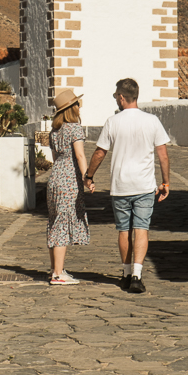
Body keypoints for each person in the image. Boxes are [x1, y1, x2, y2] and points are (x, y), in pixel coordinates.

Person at [83, 77, 170, 294]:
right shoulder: (152, 121)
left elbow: (100, 152)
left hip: (120, 186)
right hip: (144, 185)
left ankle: (125, 273)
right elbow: (163, 156)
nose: (116, 100)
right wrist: (166, 182)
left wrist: (89, 176)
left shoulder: (113, 122)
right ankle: (137, 276)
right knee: (141, 228)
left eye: (116, 97)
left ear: (122, 98)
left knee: (124, 230)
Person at [46, 88, 89, 285]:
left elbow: (55, 158)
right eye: (77, 104)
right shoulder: (74, 129)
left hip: (55, 178)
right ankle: (58, 274)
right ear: (72, 109)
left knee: (55, 221)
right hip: (69, 180)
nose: (80, 107)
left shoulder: (54, 132)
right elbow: (79, 155)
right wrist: (87, 177)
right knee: (62, 224)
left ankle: (56, 268)